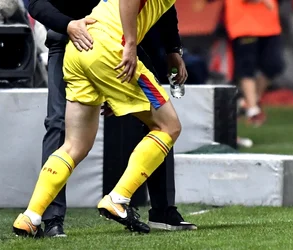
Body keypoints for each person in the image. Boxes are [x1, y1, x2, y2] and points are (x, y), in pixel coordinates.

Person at [13, 0, 183, 236]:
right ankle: (119, 198)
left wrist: (173, 49)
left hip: (80, 47)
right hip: (111, 47)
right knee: (169, 126)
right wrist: (131, 45)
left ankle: (30, 217)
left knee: (75, 145)